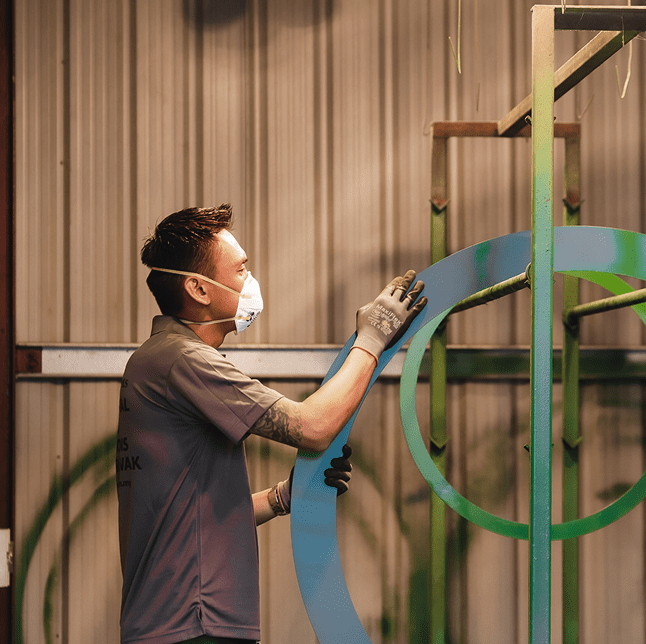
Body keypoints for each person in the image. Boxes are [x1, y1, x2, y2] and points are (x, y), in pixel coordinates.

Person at [116, 204, 426, 644]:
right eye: (241, 271)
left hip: (177, 620)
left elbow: (193, 516)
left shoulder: (158, 361)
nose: (250, 282)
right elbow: (313, 426)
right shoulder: (183, 360)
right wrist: (372, 339)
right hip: (193, 623)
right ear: (199, 289)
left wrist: (284, 496)